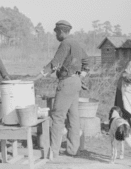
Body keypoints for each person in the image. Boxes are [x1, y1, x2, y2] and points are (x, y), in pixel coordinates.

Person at [26, 20, 89, 159]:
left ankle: (53, 152)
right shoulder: (77, 43)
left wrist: (36, 78)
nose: (55, 35)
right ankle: (73, 150)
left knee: (57, 117)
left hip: (66, 83)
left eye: (56, 32)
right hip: (76, 82)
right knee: (73, 117)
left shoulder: (65, 43)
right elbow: (87, 63)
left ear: (61, 31)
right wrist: (80, 76)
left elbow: (55, 63)